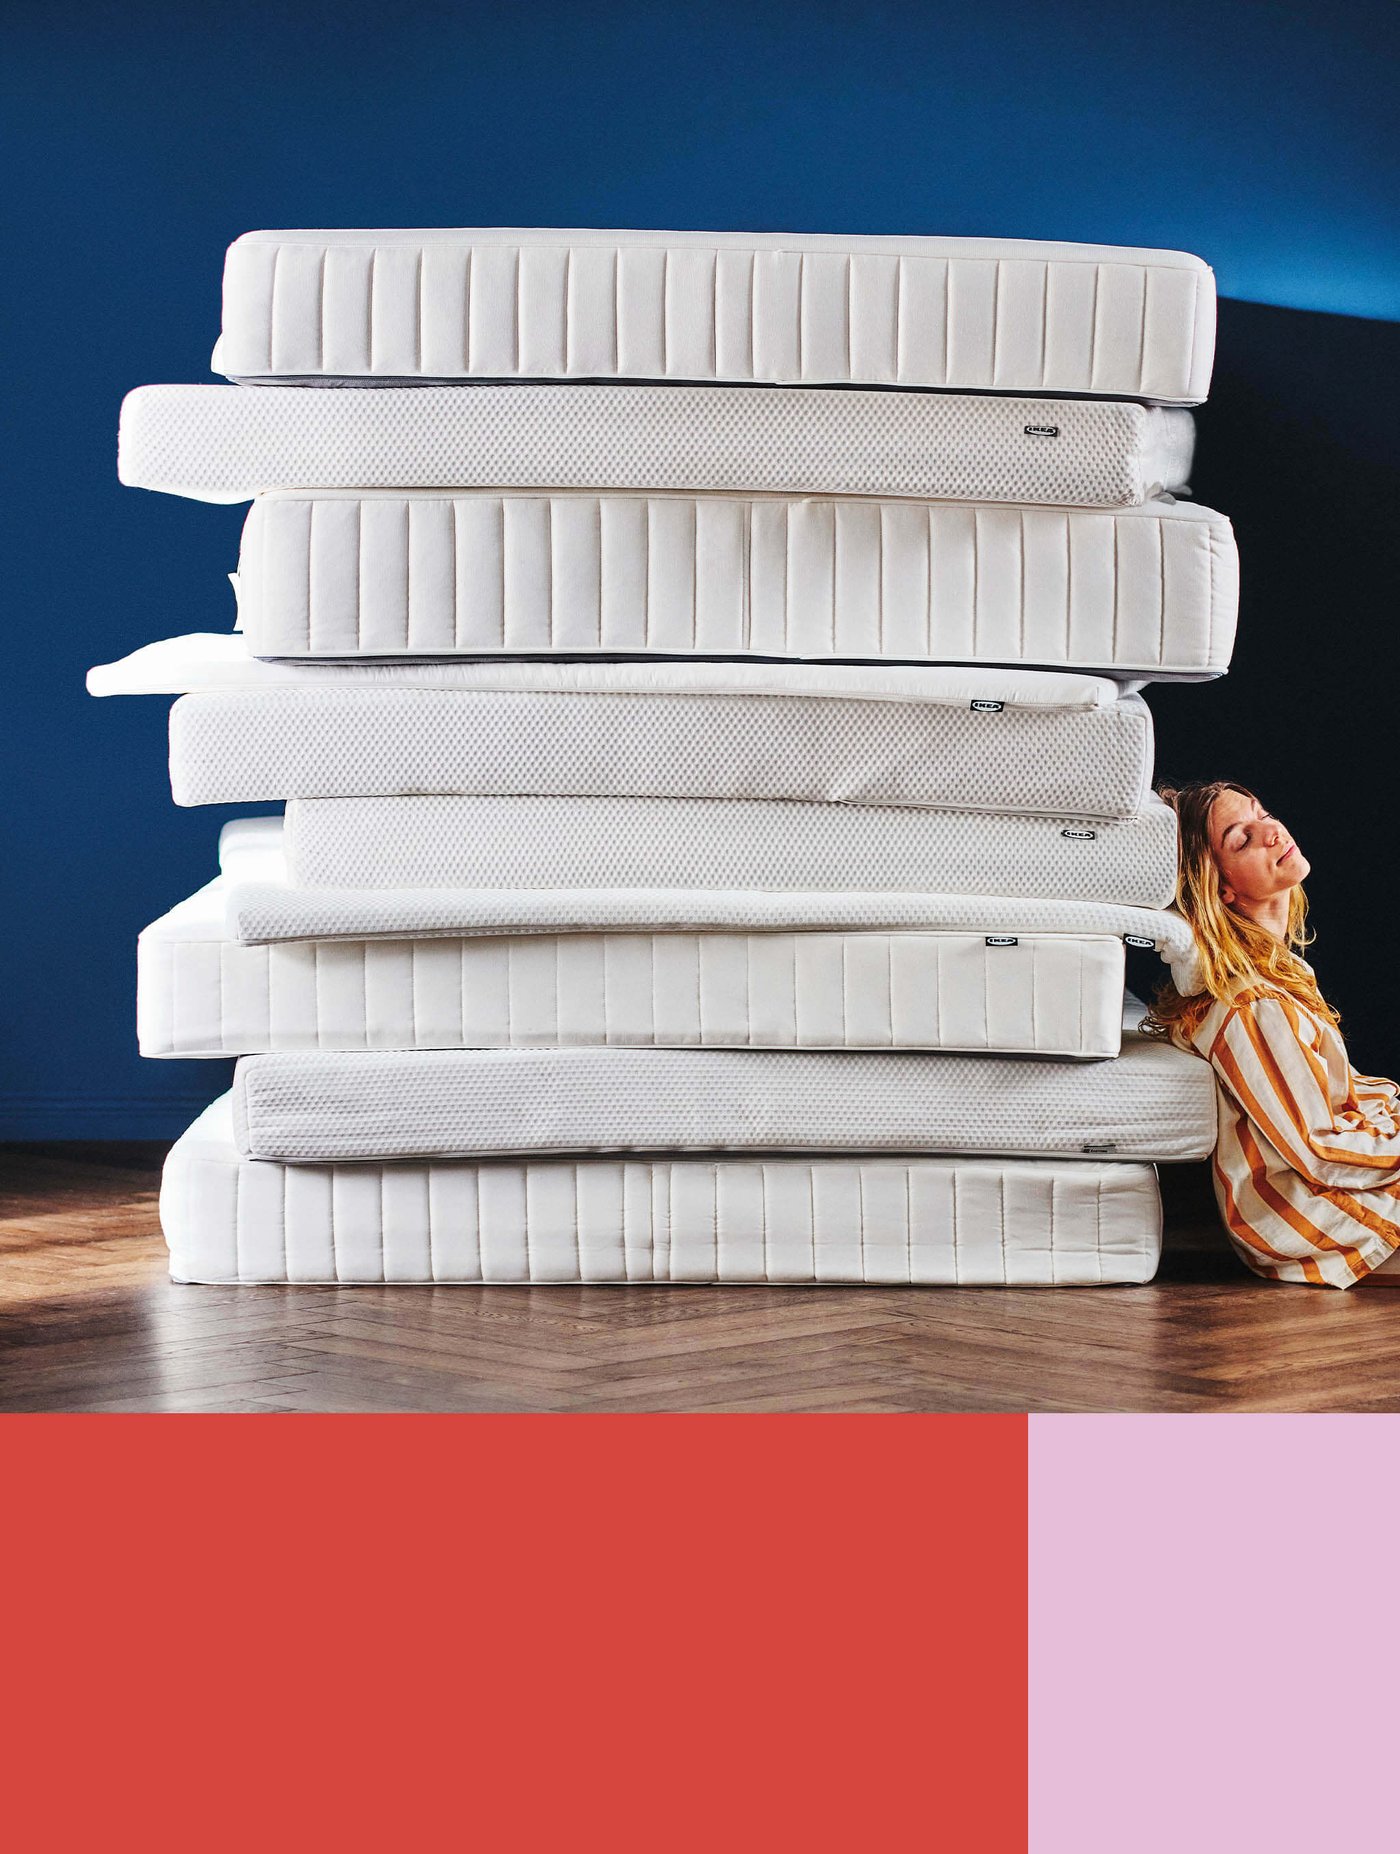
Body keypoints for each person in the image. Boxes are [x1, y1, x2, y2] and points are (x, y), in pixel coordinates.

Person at [1150, 780, 1400, 1287]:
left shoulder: (1279, 974)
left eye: (1262, 814)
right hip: (1314, 1215)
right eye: (1242, 839)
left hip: (1331, 1185)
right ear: (1220, 888)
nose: (1272, 830)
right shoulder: (1254, 1005)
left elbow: (1339, 1100)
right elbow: (1318, 1150)